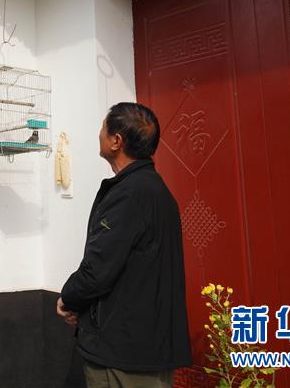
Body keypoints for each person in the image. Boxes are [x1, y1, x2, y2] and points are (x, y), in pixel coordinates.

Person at [57, 102, 191, 388]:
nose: (99, 133)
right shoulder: (156, 191)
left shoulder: (129, 195)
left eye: (103, 128)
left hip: (123, 354)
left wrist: (68, 298)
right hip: (147, 347)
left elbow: (98, 268)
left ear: (116, 141)